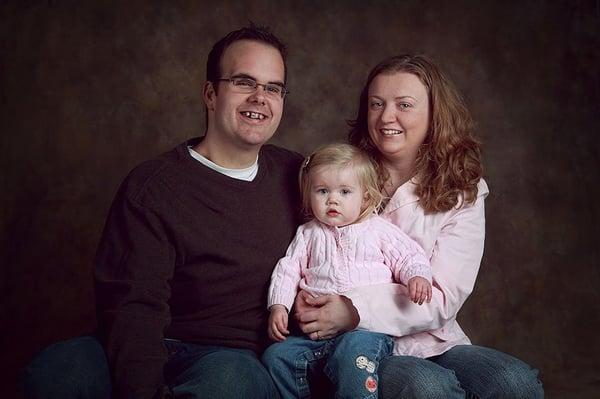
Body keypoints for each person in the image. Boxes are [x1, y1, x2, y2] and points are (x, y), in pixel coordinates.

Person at [22, 25, 303, 399]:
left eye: (273, 87)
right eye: (243, 82)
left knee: (233, 384)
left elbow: (352, 239)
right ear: (210, 93)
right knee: (57, 372)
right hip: (144, 339)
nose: (260, 98)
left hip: (226, 358)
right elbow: (133, 305)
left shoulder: (299, 177)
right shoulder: (153, 186)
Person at [291, 54, 545, 398]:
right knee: (427, 387)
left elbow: (442, 296)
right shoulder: (341, 177)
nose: (386, 117)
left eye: (404, 104)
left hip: (433, 338)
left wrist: (353, 308)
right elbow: (309, 256)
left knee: (515, 383)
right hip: (357, 343)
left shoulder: (463, 191)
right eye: (376, 104)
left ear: (434, 114)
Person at [262, 143, 432, 398]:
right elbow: (287, 270)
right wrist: (278, 306)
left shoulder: (377, 229)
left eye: (344, 192)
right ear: (309, 195)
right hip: (313, 336)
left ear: (365, 196)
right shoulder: (308, 234)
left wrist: (417, 276)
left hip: (362, 332)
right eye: (322, 191)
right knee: (276, 356)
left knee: (353, 357)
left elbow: (408, 256)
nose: (333, 199)